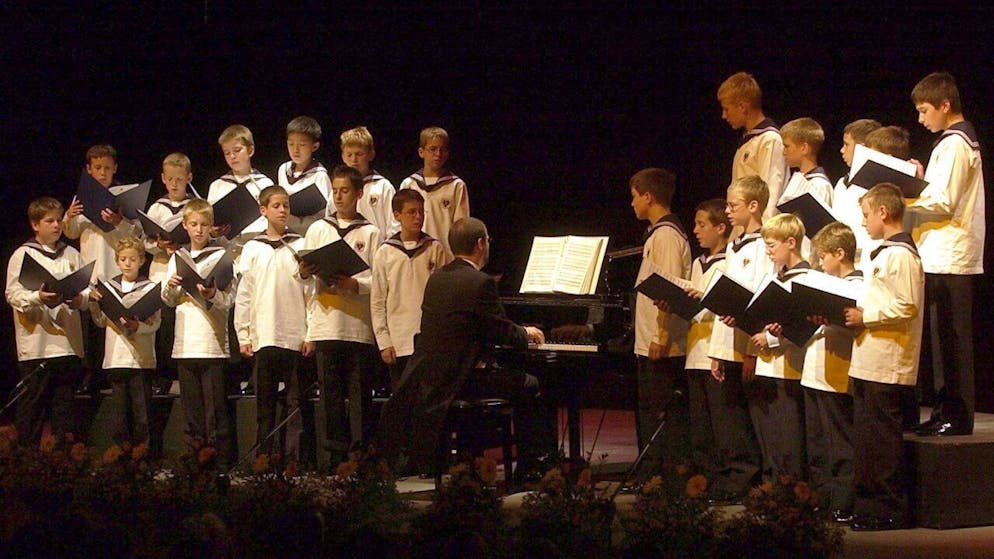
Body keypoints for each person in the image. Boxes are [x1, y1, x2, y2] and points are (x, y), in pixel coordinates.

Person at [375, 217, 546, 477]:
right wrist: (526, 332)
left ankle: (472, 459)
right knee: (530, 384)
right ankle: (531, 465)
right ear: (480, 244)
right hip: (460, 379)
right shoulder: (481, 282)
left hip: (433, 379)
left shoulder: (437, 279)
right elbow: (500, 329)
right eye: (487, 241)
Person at [907, 73, 984, 436]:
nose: (921, 119)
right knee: (941, 340)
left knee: (950, 340)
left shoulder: (954, 144)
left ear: (945, 105)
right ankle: (943, 411)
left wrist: (904, 196)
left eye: (924, 111)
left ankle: (955, 415)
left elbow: (942, 200)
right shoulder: (951, 144)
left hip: (950, 254)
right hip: (942, 253)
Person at [845, 183, 924, 531]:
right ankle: (867, 505)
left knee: (882, 442)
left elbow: (907, 305)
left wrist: (866, 317)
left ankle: (890, 508)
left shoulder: (901, 255)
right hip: (867, 358)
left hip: (888, 362)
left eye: (865, 215)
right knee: (866, 440)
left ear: (883, 212)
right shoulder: (880, 253)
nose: (862, 222)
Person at [299, 165, 381, 464]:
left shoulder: (370, 232)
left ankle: (360, 459)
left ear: (359, 193)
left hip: (357, 327)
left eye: (345, 191)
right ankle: (335, 460)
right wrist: (304, 271)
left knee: (360, 397)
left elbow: (380, 281)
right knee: (330, 398)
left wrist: (354, 283)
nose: (339, 196)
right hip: (325, 325)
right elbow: (304, 281)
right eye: (335, 191)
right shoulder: (319, 229)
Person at [705, 175, 771, 496]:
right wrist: (717, 351)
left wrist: (750, 352)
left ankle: (747, 479)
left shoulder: (762, 245)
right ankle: (732, 476)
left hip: (746, 344)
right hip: (727, 341)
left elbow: (758, 298)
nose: (728, 211)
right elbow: (725, 297)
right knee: (728, 418)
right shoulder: (734, 243)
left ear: (754, 206)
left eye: (734, 205)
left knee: (747, 417)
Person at [161, 199, 237, 466]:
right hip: (185, 344)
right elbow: (168, 301)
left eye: (204, 225)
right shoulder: (177, 257)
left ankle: (220, 465)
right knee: (191, 411)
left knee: (215, 411)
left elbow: (230, 300)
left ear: (211, 227)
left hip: (213, 343)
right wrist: (171, 286)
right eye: (193, 224)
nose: (199, 230)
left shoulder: (221, 256)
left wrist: (213, 293)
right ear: (185, 226)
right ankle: (194, 464)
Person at [234, 185, 308, 458]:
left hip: (293, 334)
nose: (282, 210)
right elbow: (244, 295)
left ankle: (291, 460)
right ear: (263, 210)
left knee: (293, 403)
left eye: (286, 205)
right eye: (276, 206)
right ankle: (263, 459)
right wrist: (244, 335)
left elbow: (309, 292)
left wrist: (309, 333)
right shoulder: (253, 248)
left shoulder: (300, 245)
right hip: (264, 334)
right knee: (265, 404)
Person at [5, 197, 85, 445]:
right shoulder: (23, 254)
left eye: (59, 220)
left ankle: (63, 465)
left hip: (67, 345)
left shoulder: (71, 253)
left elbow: (85, 291)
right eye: (49, 221)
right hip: (37, 347)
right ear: (35, 225)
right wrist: (38, 297)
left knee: (65, 413)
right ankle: (26, 464)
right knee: (32, 412)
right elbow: (12, 294)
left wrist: (79, 300)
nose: (56, 225)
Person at [629, 167, 691, 476]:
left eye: (634, 196)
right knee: (650, 410)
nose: (632, 203)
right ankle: (652, 473)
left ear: (648, 197)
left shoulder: (666, 236)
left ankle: (663, 476)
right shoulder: (658, 234)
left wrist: (661, 336)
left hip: (663, 344)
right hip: (652, 341)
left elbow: (668, 290)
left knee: (661, 413)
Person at [64, 144, 140, 391]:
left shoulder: (123, 199)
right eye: (97, 168)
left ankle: (115, 376)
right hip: (92, 269)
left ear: (115, 168)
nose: (103, 172)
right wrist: (70, 216)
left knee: (115, 324)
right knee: (91, 328)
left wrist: (119, 221)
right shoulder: (82, 199)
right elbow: (70, 231)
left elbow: (137, 235)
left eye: (107, 168)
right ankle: (91, 376)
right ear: (89, 170)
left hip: (117, 270)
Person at [804, 222, 861, 523]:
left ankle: (844, 502)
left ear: (840, 253)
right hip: (814, 371)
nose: (821, 263)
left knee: (840, 443)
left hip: (837, 373)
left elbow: (857, 325)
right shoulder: (827, 282)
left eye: (824, 256)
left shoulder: (857, 285)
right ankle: (822, 499)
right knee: (818, 445)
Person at [749, 213, 810, 481]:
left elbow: (804, 324)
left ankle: (791, 490)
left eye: (772, 245)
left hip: (791, 367)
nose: (768, 252)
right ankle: (773, 487)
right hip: (768, 366)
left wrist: (772, 338)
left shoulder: (806, 277)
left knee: (790, 436)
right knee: (772, 434)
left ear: (792, 243)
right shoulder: (774, 277)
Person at [370, 189, 451, 390]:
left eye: (421, 212)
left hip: (428, 340)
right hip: (398, 341)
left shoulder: (434, 248)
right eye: (411, 212)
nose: (418, 217)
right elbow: (378, 301)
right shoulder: (386, 252)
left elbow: (443, 298)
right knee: (402, 401)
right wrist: (383, 340)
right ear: (397, 215)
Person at [89, 236, 161, 446]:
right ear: (117, 261)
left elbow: (156, 323)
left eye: (132, 259)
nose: (127, 263)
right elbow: (102, 321)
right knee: (119, 417)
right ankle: (121, 462)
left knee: (142, 416)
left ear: (141, 260)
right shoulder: (109, 288)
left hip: (141, 360)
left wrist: (138, 326)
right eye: (123, 259)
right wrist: (94, 304)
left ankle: (144, 460)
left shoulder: (149, 288)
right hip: (115, 358)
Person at [145, 152, 197, 395]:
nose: (175, 184)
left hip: (187, 268)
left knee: (185, 321)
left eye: (180, 178)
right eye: (170, 179)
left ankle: (185, 374)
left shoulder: (195, 206)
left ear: (189, 178)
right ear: (163, 179)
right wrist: (159, 245)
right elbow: (144, 241)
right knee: (163, 326)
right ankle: (164, 376)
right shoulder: (157, 207)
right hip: (161, 270)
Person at [717, 72, 787, 218]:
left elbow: (771, 193)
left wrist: (765, 237)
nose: (724, 115)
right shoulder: (747, 141)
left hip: (761, 233)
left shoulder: (769, 139)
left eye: (727, 109)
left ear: (742, 107)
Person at [398, 127, 469, 256]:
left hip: (446, 256)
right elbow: (399, 223)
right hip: (415, 254)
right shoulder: (409, 184)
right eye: (433, 149)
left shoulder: (455, 185)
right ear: (421, 152)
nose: (438, 154)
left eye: (443, 150)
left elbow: (461, 228)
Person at [207, 124, 275, 259]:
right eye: (227, 153)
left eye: (237, 150)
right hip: (226, 252)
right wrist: (212, 232)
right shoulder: (218, 186)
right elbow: (208, 224)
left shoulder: (264, 184)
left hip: (258, 251)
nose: (232, 156)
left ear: (250, 150)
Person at [832, 119, 882, 267]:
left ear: (862, 147)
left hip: (867, 260)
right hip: (842, 259)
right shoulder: (841, 183)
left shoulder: (877, 185)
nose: (842, 150)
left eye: (847, 145)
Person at [341, 126, 398, 239]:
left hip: (377, 250)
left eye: (359, 154)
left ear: (371, 155)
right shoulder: (338, 190)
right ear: (343, 157)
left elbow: (394, 226)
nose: (354, 160)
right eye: (349, 155)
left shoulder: (382, 187)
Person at [278, 116, 332, 235]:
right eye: (291, 144)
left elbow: (325, 213)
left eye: (302, 145)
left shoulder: (319, 176)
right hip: (285, 232)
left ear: (315, 146)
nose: (295, 150)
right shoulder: (283, 169)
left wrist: (295, 221)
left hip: (309, 232)